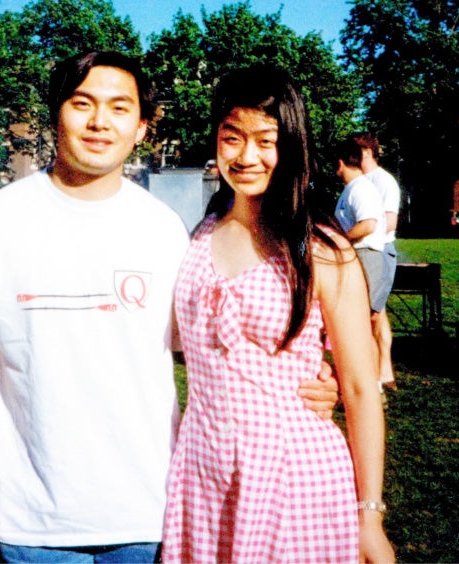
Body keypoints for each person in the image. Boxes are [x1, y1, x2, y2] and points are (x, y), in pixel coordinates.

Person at [0, 51, 339, 562]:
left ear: (141, 128)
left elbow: (212, 346)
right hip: (27, 519)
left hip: (151, 512)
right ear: (56, 114)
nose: (99, 122)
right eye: (82, 103)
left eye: (119, 108)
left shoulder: (165, 230)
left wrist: (308, 381)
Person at [161, 67, 394, 563]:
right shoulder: (197, 235)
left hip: (294, 479)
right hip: (202, 479)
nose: (246, 157)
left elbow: (357, 386)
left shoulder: (322, 249)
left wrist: (369, 516)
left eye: (266, 140)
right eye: (232, 138)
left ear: (290, 145)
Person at [333, 137, 392, 397]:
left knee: (364, 324)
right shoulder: (351, 190)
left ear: (340, 163)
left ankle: (373, 385)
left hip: (367, 257)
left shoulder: (360, 189)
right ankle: (366, 381)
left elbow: (368, 225)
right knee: (358, 325)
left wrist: (339, 242)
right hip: (357, 257)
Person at [354, 131, 400, 389]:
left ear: (367, 152)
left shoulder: (383, 181)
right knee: (376, 315)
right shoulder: (359, 181)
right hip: (365, 252)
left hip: (379, 250)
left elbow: (389, 222)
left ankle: (381, 372)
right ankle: (383, 371)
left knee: (373, 314)